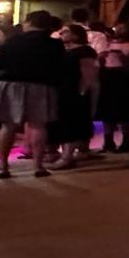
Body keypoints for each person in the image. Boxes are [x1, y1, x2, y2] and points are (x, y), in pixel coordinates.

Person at [0, 11, 65, 179]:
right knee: (38, 126)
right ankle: (38, 166)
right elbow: (59, 67)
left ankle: (4, 167)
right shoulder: (54, 44)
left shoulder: (13, 40)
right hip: (41, 85)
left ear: (29, 23)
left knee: (7, 126)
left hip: (10, 84)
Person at [48, 23, 100, 169]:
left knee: (71, 123)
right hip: (65, 90)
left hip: (76, 91)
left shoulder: (84, 51)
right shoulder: (66, 50)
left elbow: (89, 75)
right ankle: (77, 151)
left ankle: (67, 157)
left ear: (76, 35)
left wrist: (83, 93)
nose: (61, 33)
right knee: (68, 122)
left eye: (66, 31)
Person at [98, 23, 129, 154]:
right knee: (106, 112)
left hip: (124, 79)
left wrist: (121, 55)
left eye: (123, 28)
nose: (119, 30)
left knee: (125, 112)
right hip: (107, 77)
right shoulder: (106, 44)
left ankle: (126, 142)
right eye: (117, 28)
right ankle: (108, 142)